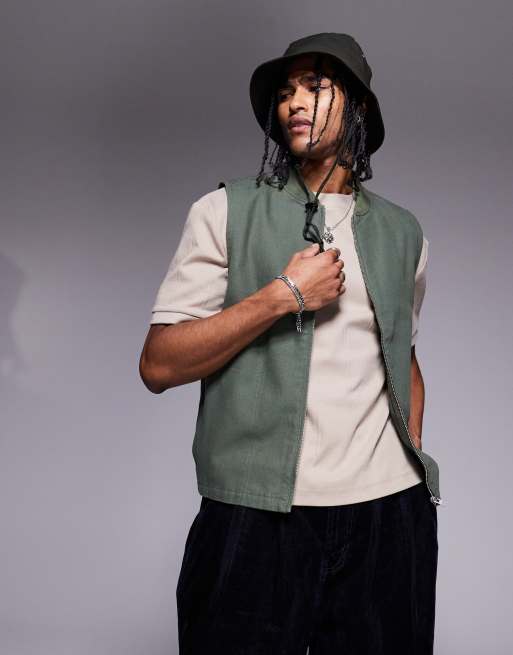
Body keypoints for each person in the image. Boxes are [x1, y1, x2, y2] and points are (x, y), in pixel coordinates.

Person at [139, 32, 442, 655]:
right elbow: (159, 364)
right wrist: (282, 296)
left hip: (389, 516)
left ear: (359, 107)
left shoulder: (403, 232)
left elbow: (402, 357)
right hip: (257, 516)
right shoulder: (225, 210)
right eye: (284, 93)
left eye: (316, 86)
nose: (294, 103)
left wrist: (411, 471)